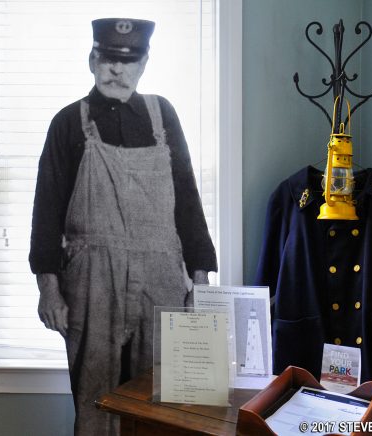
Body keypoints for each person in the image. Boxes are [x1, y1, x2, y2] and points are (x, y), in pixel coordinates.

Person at [29, 18, 217, 436]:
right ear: (93, 60)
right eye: (109, 59)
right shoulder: (66, 123)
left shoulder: (162, 115)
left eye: (128, 61)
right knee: (96, 404)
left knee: (165, 403)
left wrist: (200, 280)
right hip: (94, 283)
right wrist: (49, 289)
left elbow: (187, 199)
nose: (117, 70)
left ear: (144, 64)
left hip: (163, 281)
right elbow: (46, 211)